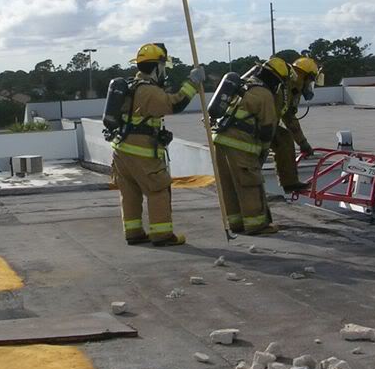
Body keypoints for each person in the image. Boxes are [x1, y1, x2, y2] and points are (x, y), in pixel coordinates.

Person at [110, 43, 204, 246]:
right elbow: (175, 103)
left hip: (122, 150)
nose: (165, 71)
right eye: (164, 67)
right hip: (141, 153)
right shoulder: (148, 91)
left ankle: (133, 232)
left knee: (130, 193)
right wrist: (192, 82)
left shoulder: (130, 87)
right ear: (157, 67)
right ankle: (162, 235)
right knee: (158, 190)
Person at [211, 56, 290, 235]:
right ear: (275, 80)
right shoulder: (265, 94)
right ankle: (257, 224)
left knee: (229, 184)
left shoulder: (244, 85)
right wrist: (262, 152)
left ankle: (236, 223)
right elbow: (268, 128)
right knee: (250, 183)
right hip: (240, 144)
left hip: (219, 140)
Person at [272, 56, 320, 192]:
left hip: (265, 123)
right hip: (259, 123)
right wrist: (303, 144)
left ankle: (290, 183)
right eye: (310, 81)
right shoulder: (284, 87)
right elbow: (290, 121)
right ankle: (289, 183)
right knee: (280, 139)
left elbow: (290, 119)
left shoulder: (291, 88)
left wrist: (303, 144)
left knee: (284, 138)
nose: (309, 86)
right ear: (303, 76)